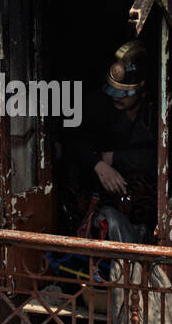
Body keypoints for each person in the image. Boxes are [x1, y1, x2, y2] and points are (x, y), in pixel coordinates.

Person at [65, 40, 157, 237]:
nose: (118, 97)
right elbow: (75, 139)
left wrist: (112, 158)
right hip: (102, 196)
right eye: (115, 91)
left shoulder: (155, 112)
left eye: (125, 93)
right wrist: (98, 164)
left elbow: (157, 156)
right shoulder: (99, 105)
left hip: (145, 202)